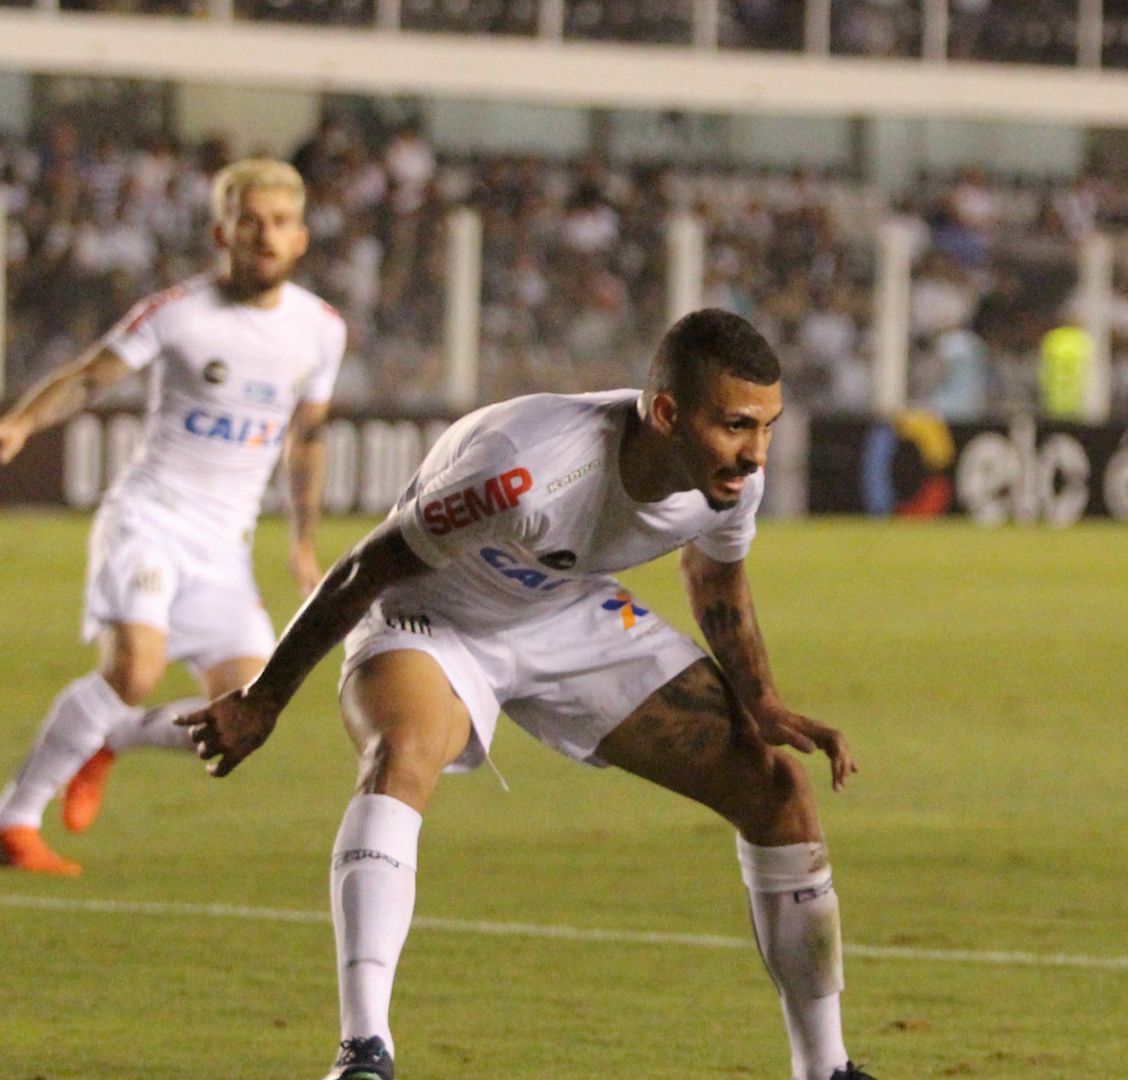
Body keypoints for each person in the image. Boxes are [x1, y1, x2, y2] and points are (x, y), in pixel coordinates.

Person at [181, 310, 874, 1080]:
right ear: (668, 413)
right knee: (402, 751)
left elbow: (713, 574)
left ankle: (826, 1068)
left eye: (769, 427)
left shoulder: (731, 481)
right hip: (432, 610)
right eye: (738, 425)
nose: (757, 452)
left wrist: (763, 698)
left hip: (566, 608)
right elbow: (365, 570)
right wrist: (264, 698)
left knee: (777, 791)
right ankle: (364, 1050)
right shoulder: (524, 470)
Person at [0, 158, 340, 875]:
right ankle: (15, 820)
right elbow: (92, 373)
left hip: (224, 546)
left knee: (247, 713)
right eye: (249, 222)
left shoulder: (321, 330)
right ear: (223, 231)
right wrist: (24, 423)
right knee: (135, 666)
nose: (265, 236)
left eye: (279, 222)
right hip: (149, 517)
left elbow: (306, 437)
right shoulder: (178, 313)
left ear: (302, 237)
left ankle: (110, 738)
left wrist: (302, 544)